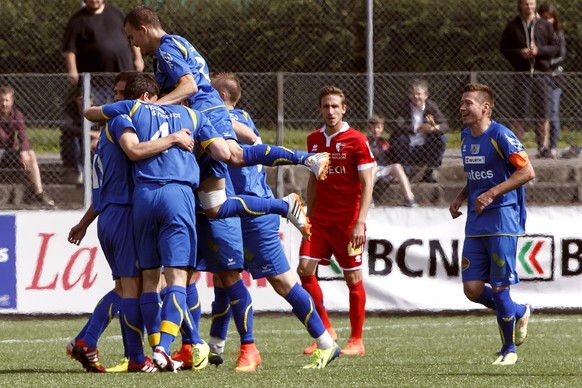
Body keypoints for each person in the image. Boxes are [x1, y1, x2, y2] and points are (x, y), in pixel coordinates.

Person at [198, 72, 340, 370]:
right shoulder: (229, 118)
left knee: (282, 282)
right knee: (225, 278)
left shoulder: (232, 119)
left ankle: (326, 343)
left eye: (209, 94)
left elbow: (247, 138)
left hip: (253, 213)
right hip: (236, 212)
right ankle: (215, 346)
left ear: (221, 99)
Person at [122, 5, 330, 181]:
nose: (133, 44)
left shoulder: (166, 49)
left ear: (144, 29)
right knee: (222, 160)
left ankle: (306, 159)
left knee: (235, 155)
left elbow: (189, 86)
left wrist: (152, 108)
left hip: (204, 107)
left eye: (132, 37)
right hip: (201, 109)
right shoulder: (176, 42)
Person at [67, 98, 194, 374]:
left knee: (126, 287)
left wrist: (84, 223)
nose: (119, 98)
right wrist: (173, 138)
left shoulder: (105, 136)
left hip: (108, 215)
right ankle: (127, 353)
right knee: (133, 289)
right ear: (147, 99)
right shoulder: (122, 122)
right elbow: (136, 150)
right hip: (123, 214)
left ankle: (94, 342)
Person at [449, 83, 534, 365]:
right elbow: (476, 176)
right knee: (472, 289)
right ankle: (519, 312)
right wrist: (461, 196)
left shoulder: (501, 135)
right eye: (461, 102)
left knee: (499, 288)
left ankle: (509, 350)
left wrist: (491, 193)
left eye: (468, 103)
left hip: (501, 220)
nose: (462, 107)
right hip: (475, 222)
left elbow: (527, 171)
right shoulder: (464, 137)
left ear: (485, 108)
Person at [297, 85, 375, 356]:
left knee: (353, 277)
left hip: (347, 221)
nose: (330, 111)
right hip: (320, 220)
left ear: (344, 109)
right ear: (319, 109)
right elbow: (313, 181)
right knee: (304, 270)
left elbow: (368, 183)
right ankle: (327, 329)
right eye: (325, 106)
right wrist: (308, 215)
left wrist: (360, 222)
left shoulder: (357, 140)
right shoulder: (313, 140)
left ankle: (357, 340)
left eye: (335, 106)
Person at [500, 0, 559, 157]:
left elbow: (555, 47)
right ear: (520, 5)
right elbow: (504, 48)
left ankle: (543, 148)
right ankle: (517, 149)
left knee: (543, 112)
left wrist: (539, 51)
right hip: (522, 74)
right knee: (520, 113)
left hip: (542, 74)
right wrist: (519, 53)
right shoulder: (512, 26)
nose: (529, 7)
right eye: (526, 4)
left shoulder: (545, 25)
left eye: (532, 4)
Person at [62, 0, 144, 104]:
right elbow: (70, 48)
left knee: (127, 110)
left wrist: (138, 57)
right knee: (99, 114)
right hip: (96, 82)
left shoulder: (116, 12)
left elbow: (131, 36)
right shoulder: (77, 20)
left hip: (124, 74)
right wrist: (72, 70)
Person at [0, 86, 54, 207]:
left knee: (31, 154)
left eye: (6, 100)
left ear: (12, 101)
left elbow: (23, 136)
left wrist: (24, 151)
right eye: (1, 100)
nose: (4, 104)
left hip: (9, 152)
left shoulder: (17, 115)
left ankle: (39, 193)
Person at [390, 79, 448, 183]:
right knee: (398, 138)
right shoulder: (403, 107)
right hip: (407, 147)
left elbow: (445, 125)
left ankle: (431, 171)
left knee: (442, 138)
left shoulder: (431, 107)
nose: (416, 97)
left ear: (426, 96)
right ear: (409, 95)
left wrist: (433, 128)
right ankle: (406, 171)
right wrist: (416, 129)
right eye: (413, 94)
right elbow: (397, 124)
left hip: (425, 148)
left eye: (419, 94)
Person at [367, 114, 417, 207]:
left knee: (397, 167)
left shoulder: (385, 143)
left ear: (382, 129)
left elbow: (392, 158)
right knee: (373, 168)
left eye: (378, 127)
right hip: (370, 170)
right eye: (373, 127)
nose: (376, 130)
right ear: (370, 128)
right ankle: (368, 199)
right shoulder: (365, 141)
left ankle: (409, 198)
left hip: (383, 168)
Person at [538, 3, 566, 159]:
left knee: (553, 113)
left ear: (554, 19)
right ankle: (542, 147)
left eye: (549, 18)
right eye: (543, 18)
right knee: (542, 114)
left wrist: (546, 63)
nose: (547, 21)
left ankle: (553, 146)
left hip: (554, 78)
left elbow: (562, 55)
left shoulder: (558, 34)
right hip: (540, 77)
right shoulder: (537, 33)